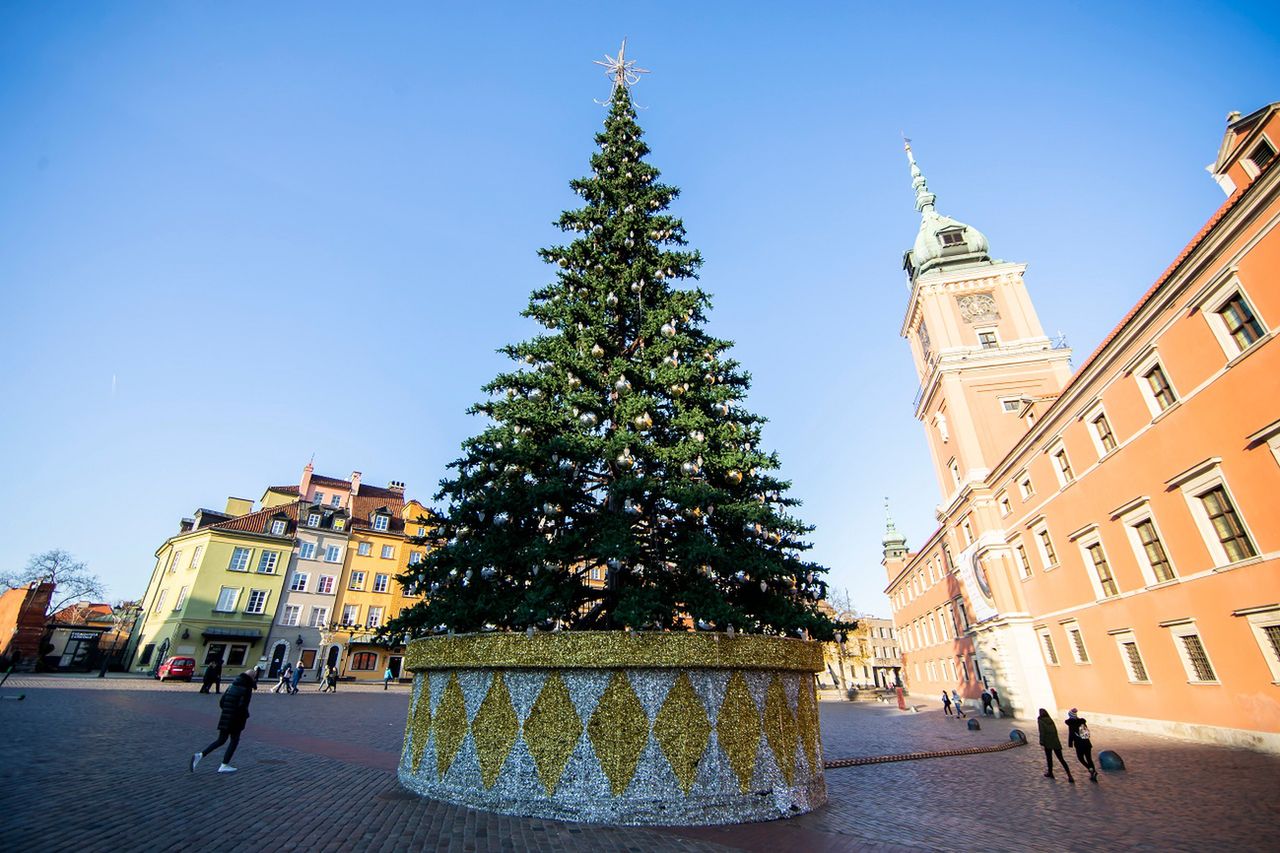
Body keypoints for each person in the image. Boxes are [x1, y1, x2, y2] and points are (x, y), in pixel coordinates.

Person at [191, 667, 259, 774]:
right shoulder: (246, 688)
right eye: (254, 677)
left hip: (225, 716)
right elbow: (243, 706)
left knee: (221, 740)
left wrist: (227, 711)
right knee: (234, 741)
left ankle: (200, 755)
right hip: (236, 719)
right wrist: (244, 716)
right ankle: (224, 764)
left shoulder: (232, 685)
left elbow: (222, 702)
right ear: (252, 678)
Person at [1037, 708, 1074, 783]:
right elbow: (1055, 731)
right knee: (1061, 759)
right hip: (1055, 741)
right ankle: (1069, 775)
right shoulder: (1050, 719)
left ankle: (1050, 772)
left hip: (1047, 742)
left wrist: (1041, 741)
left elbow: (1042, 732)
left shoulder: (1041, 720)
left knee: (1049, 758)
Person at [1065, 708, 1098, 782]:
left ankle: (1091, 770)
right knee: (1089, 759)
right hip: (1087, 743)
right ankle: (1093, 772)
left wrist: (1070, 744)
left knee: (1081, 758)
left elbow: (1071, 735)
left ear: (1070, 716)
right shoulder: (1082, 722)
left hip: (1079, 745)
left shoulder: (1071, 724)